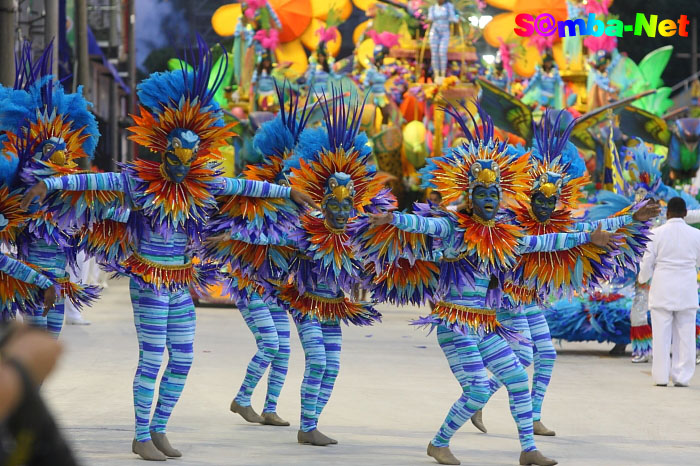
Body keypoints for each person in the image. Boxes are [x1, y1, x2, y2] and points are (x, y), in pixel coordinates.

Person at [21, 38, 316, 461]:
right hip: (149, 281)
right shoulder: (137, 182)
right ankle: (141, 434)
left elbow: (243, 186)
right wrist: (49, 183)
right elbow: (90, 180)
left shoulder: (202, 183)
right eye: (177, 155)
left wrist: (289, 193)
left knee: (183, 358)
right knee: (153, 356)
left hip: (180, 281)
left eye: (191, 156)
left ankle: (159, 428)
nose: (183, 163)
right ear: (163, 149)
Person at [638, 196, 700, 386]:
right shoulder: (696, 235)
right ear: (685, 213)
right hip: (687, 289)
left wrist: (642, 279)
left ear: (667, 213)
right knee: (686, 336)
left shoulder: (655, 234)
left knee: (661, 336)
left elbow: (647, 263)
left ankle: (661, 377)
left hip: (662, 288)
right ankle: (682, 377)